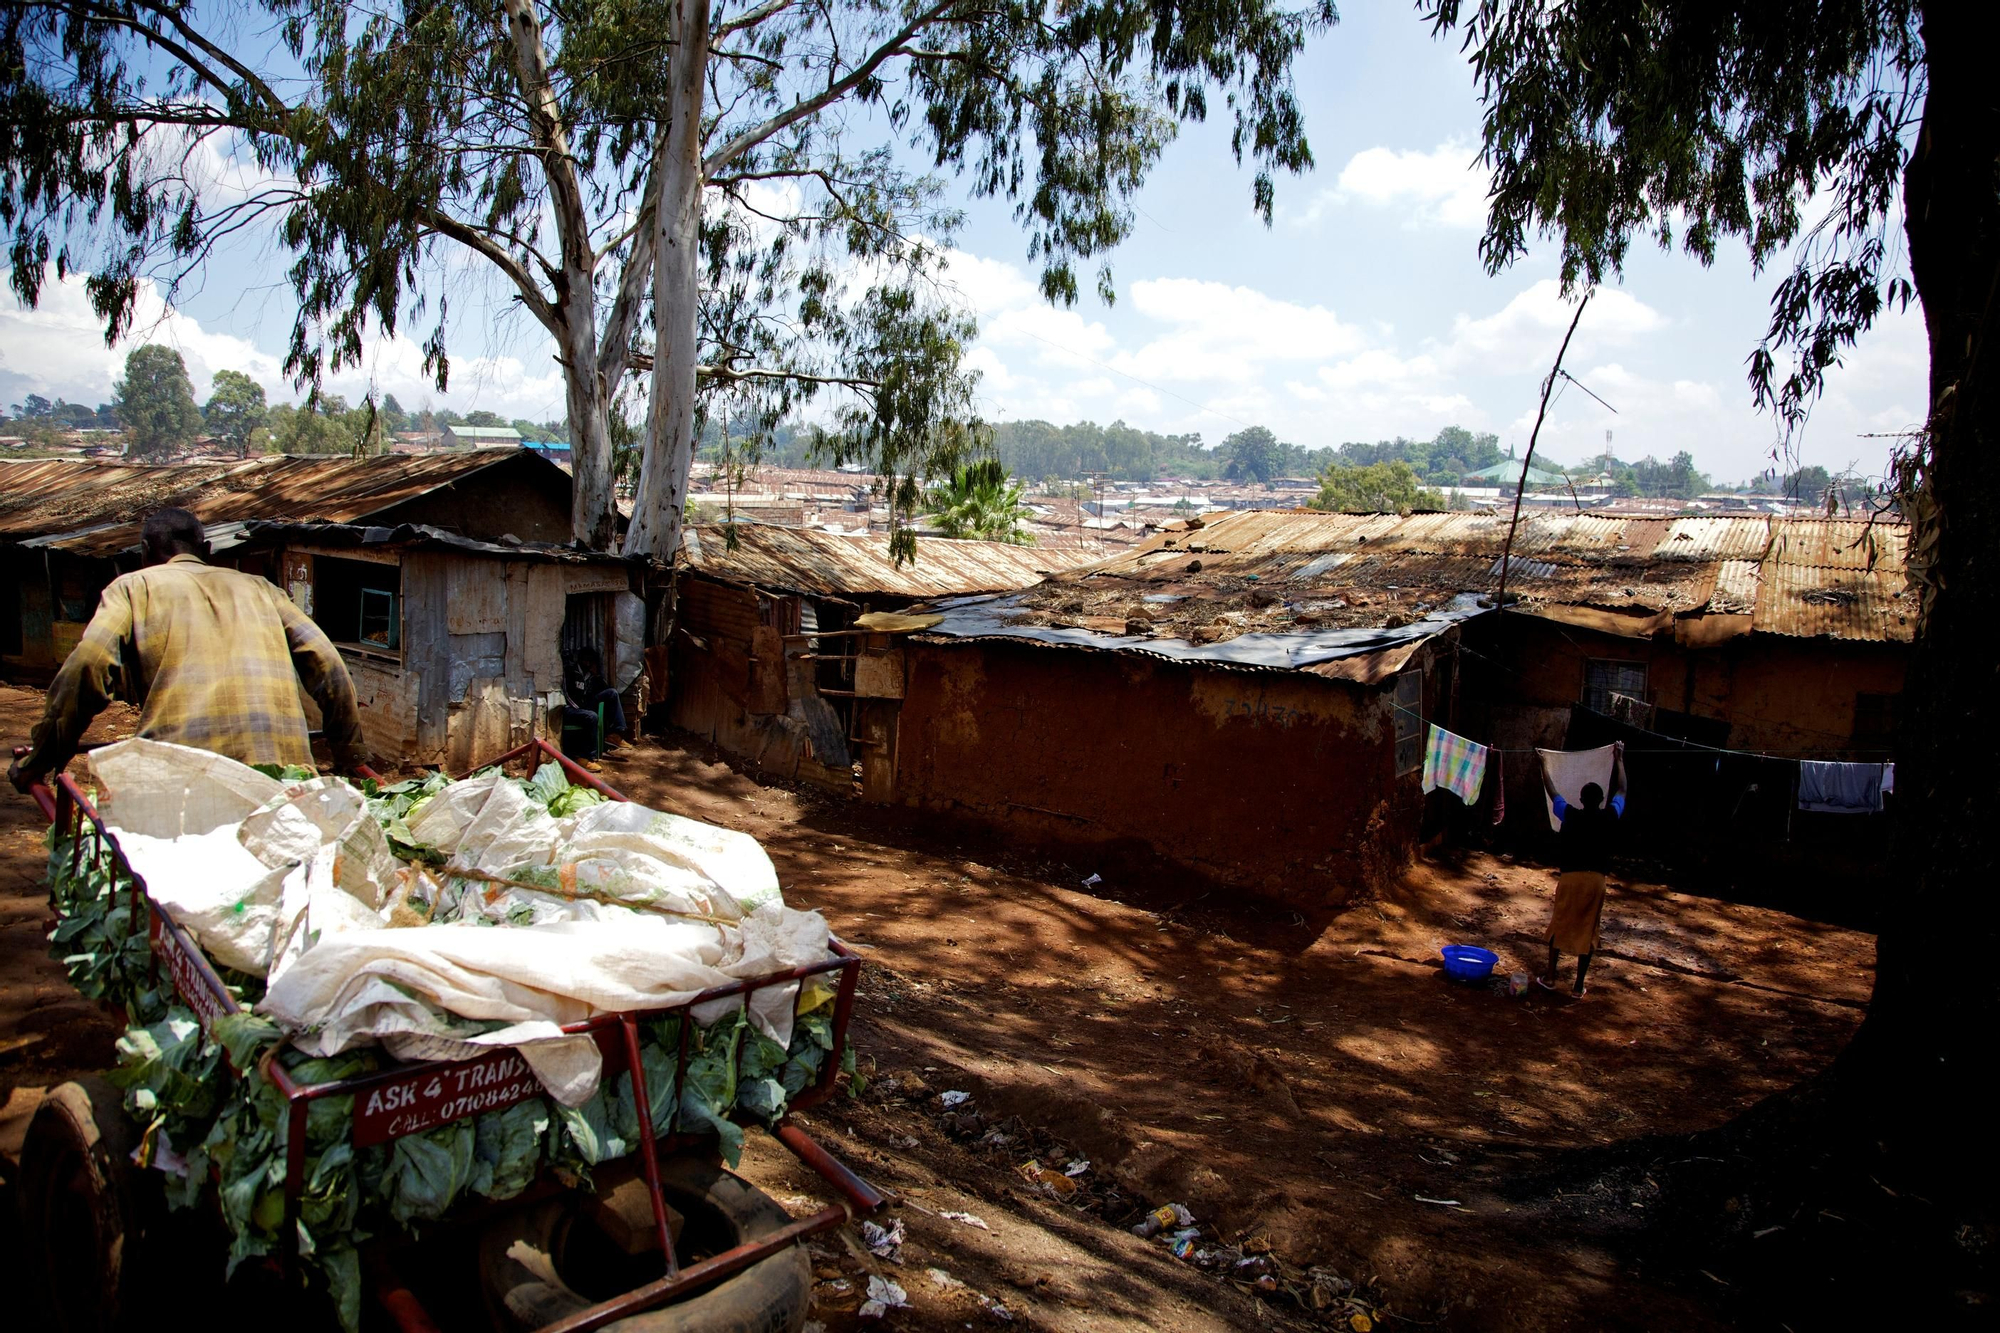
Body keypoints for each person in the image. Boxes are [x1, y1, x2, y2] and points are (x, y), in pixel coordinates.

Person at [8, 509, 366, 791]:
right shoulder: (261, 588)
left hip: (179, 778)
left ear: (146, 553)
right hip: (284, 778)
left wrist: (42, 758)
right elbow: (328, 664)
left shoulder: (133, 587)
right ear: (207, 551)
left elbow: (88, 665)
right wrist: (349, 755)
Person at [1536, 740, 1627, 997]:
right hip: (1596, 880)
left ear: (1581, 799)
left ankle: (1551, 976)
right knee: (1588, 930)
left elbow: (1552, 791)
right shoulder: (1609, 817)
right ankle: (1578, 986)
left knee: (1559, 924)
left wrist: (1544, 765)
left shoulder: (1570, 815)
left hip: (1571, 878)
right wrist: (1619, 760)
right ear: (1600, 800)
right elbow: (1622, 790)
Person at [561, 645, 627, 754]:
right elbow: (566, 694)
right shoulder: (571, 672)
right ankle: (587, 757)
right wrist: (579, 709)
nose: (588, 664)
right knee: (592, 716)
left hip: (585, 705)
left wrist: (597, 676)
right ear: (581, 660)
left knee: (612, 693)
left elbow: (604, 690)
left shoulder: (591, 676)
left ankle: (616, 732)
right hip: (571, 708)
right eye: (587, 661)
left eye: (591, 662)